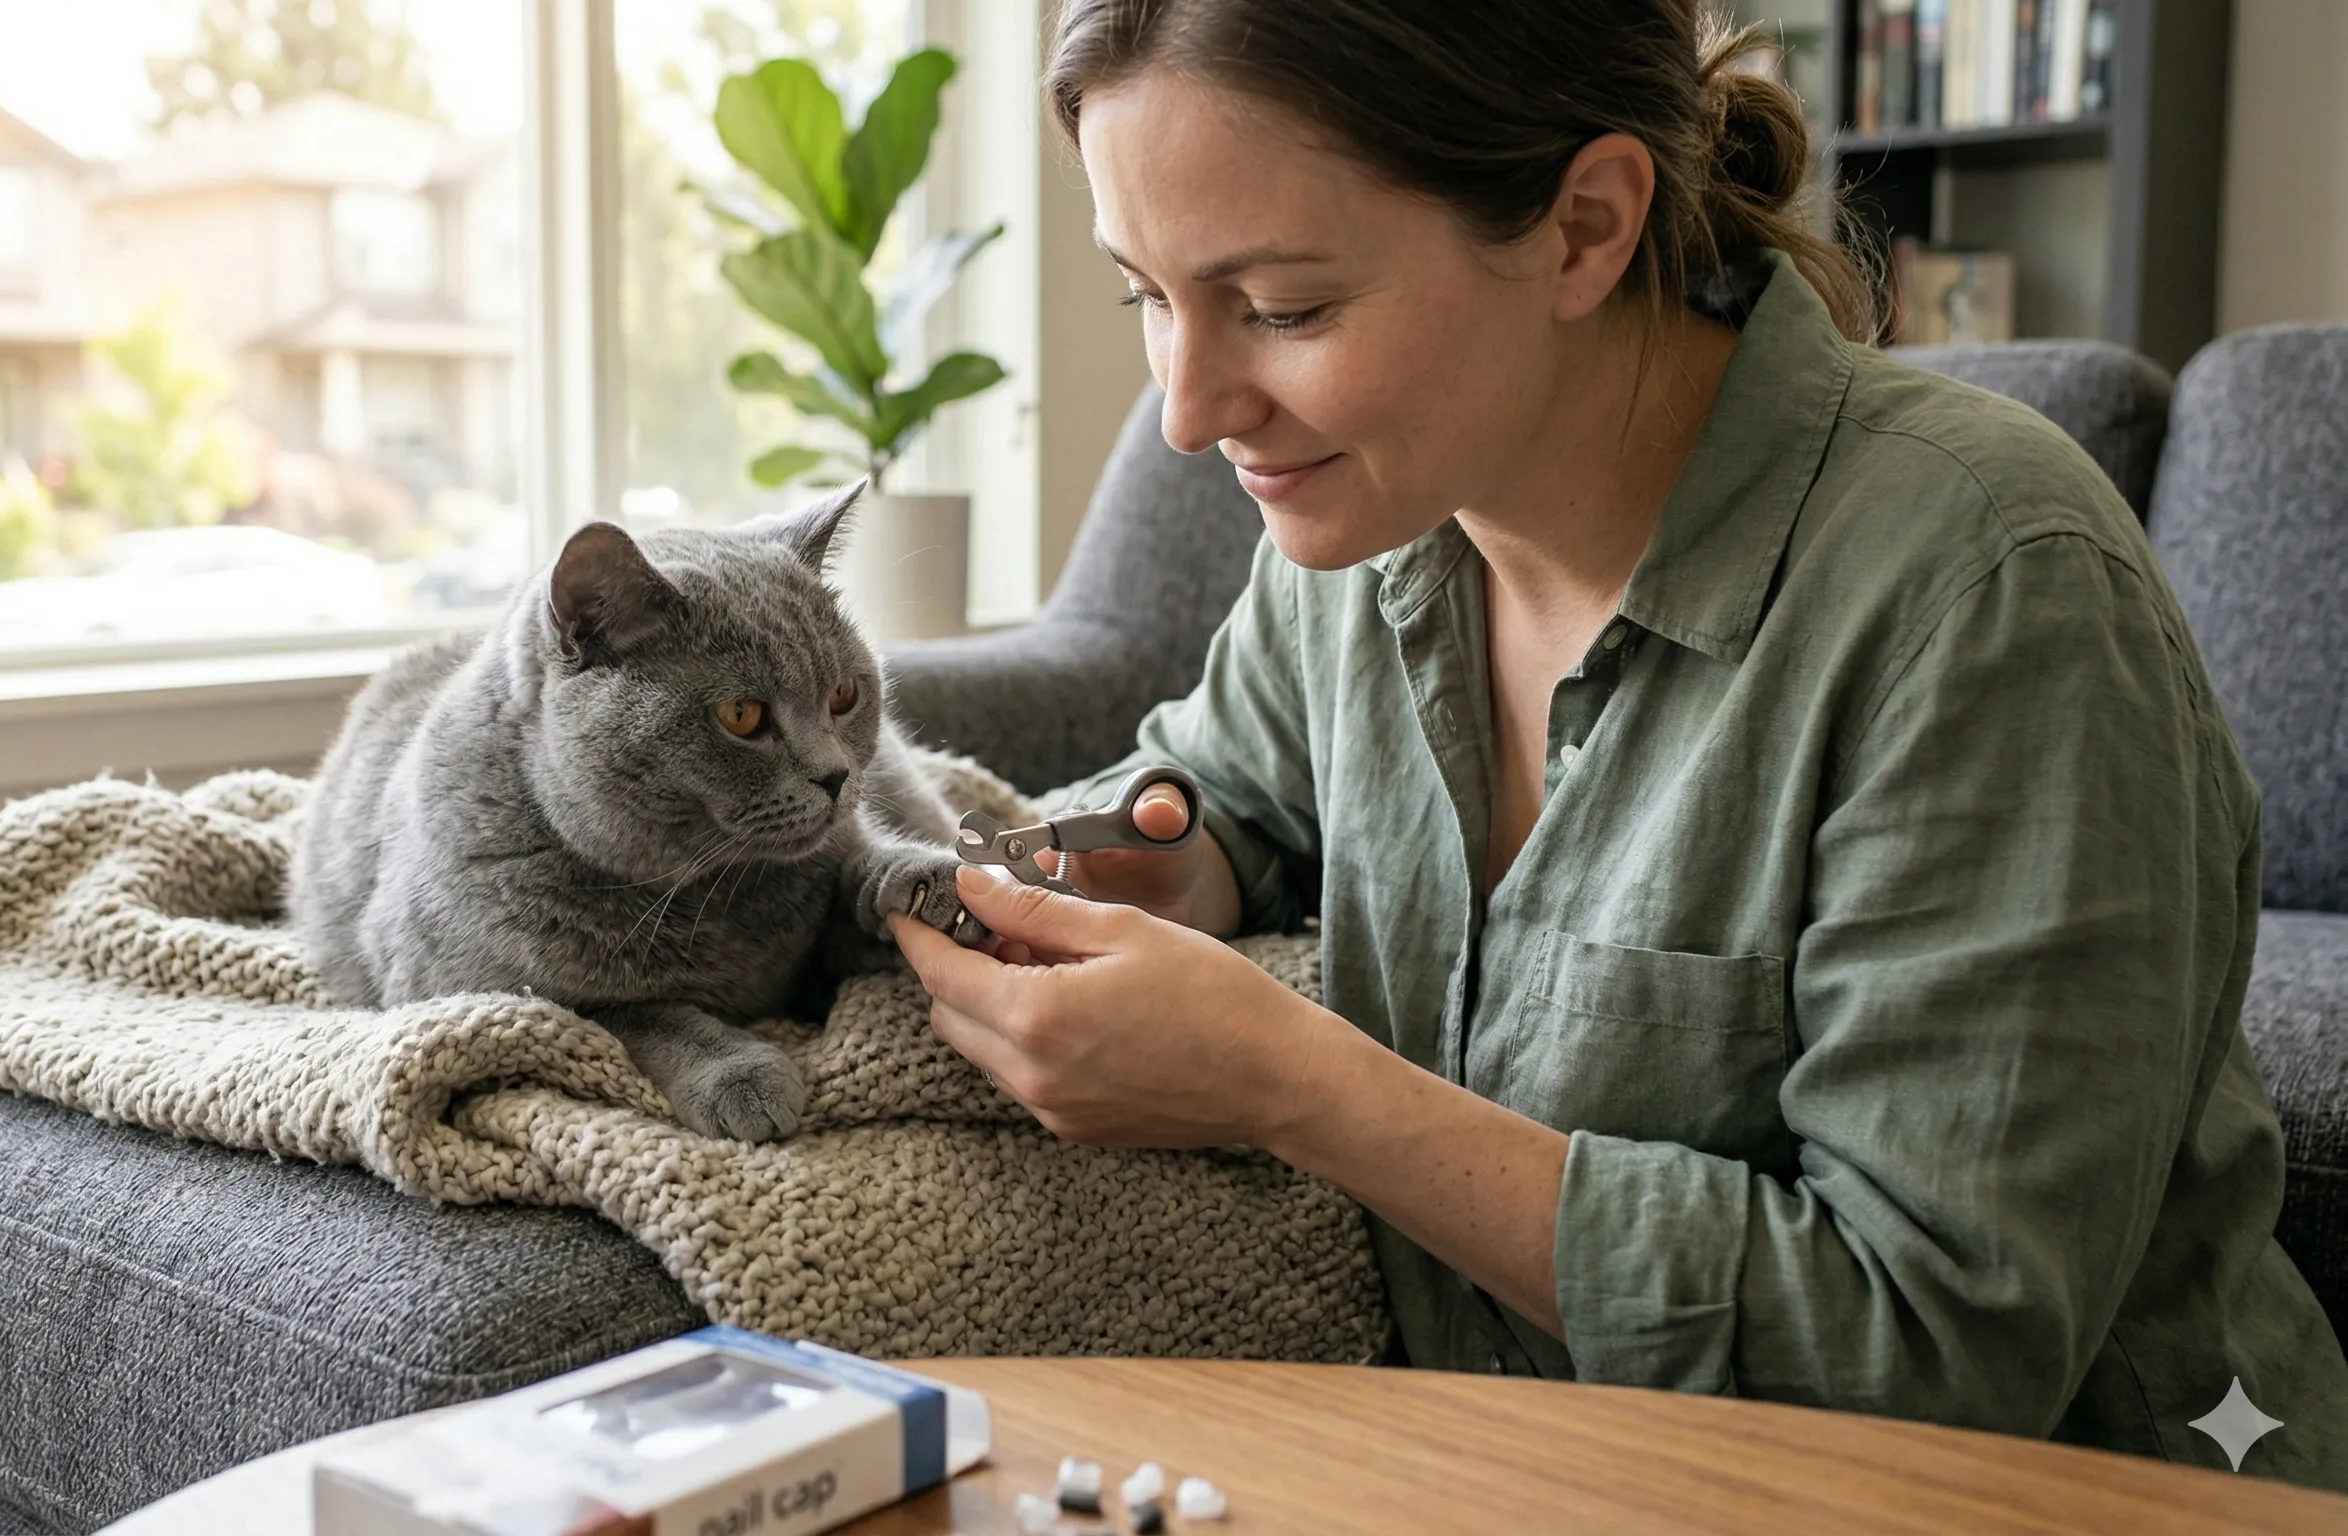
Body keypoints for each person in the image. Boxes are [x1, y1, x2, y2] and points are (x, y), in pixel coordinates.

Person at [887, 0, 2348, 1487]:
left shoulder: (1988, 587)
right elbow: (1231, 800)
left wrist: (1295, 1085)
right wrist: (1147, 862)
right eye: (1144, 292)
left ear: (1587, 226)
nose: (1188, 414)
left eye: (1284, 308)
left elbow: (1935, 1352)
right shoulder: (1370, 540)